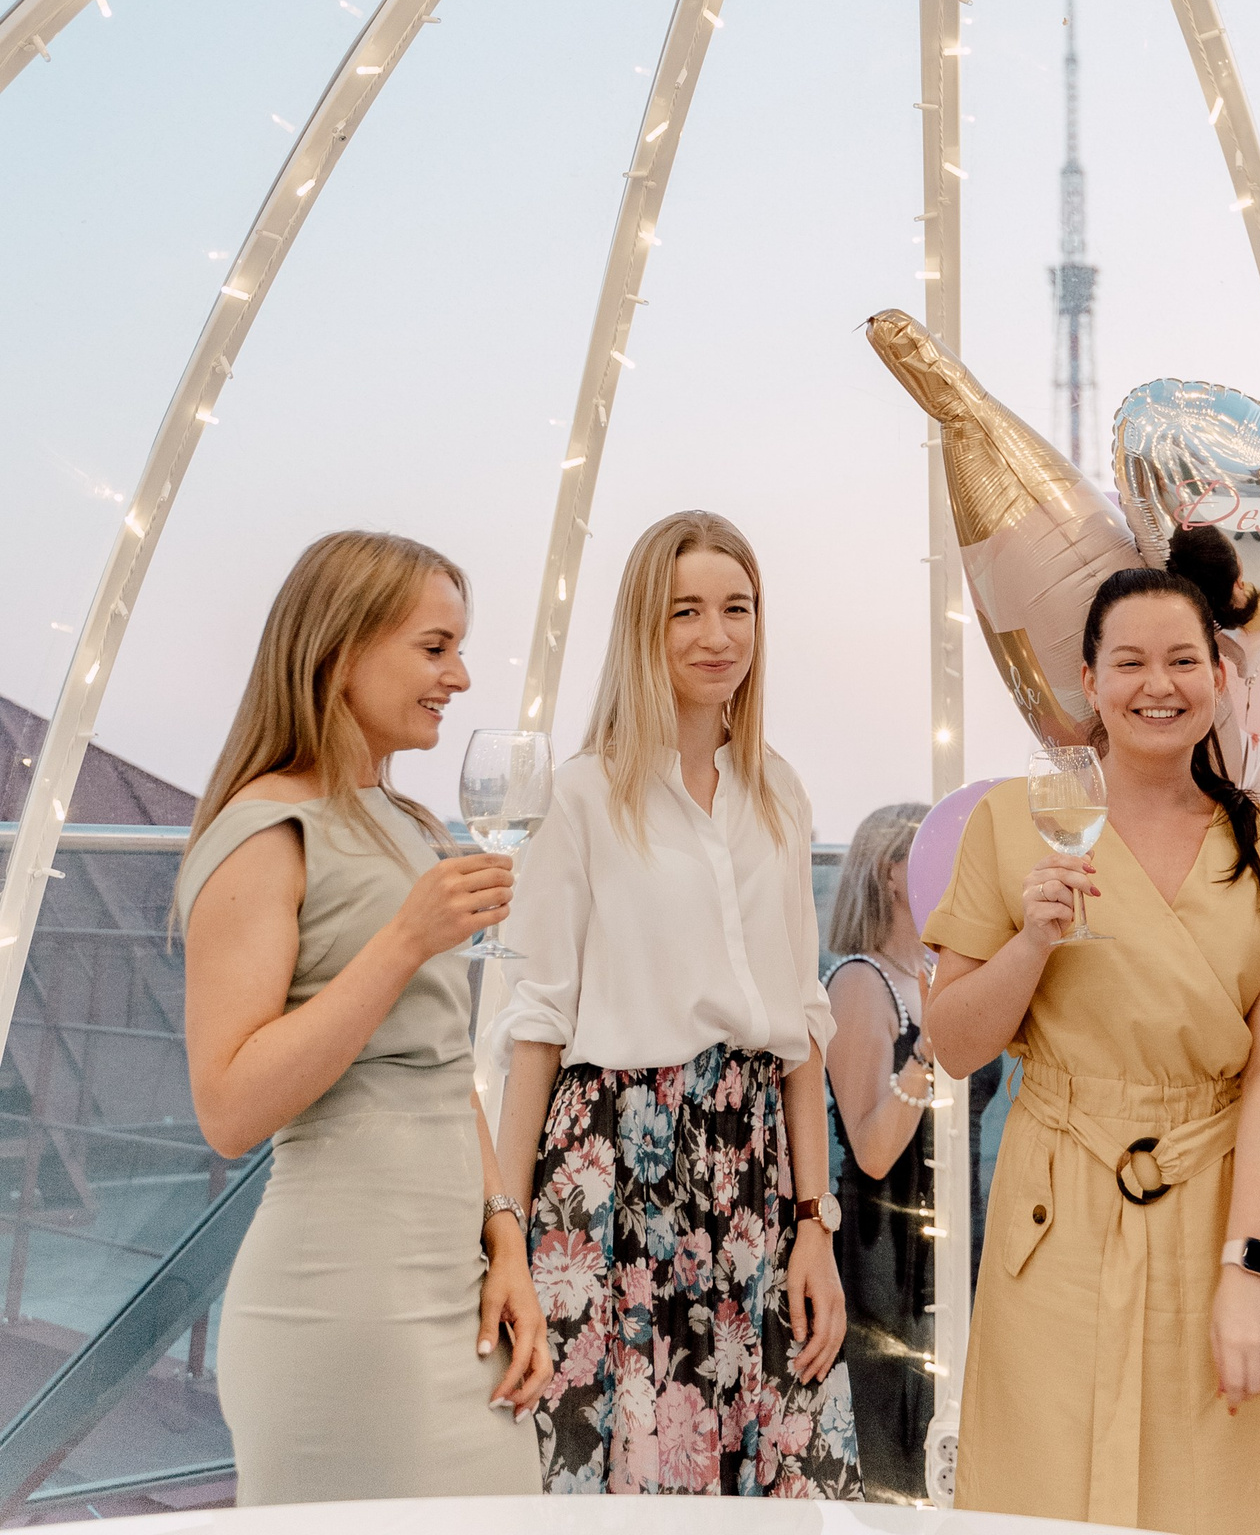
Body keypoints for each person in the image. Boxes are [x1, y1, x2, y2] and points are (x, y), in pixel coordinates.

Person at [921, 538, 1260, 1534]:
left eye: (1182, 660)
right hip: (1057, 1227)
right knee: (1047, 1497)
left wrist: (1250, 1269)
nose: (1157, 685)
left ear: (1219, 676)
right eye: (1129, 662)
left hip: (1219, 1214)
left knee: (1231, 1497)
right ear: (1089, 681)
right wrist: (1031, 943)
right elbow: (953, 1045)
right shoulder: (1013, 823)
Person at [493, 509, 860, 1498]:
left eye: (737, 608)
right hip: (614, 1169)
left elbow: (802, 1025)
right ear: (642, 630)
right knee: (622, 1478)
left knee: (780, 1471)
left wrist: (815, 1222)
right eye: (685, 611)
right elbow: (536, 1026)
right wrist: (506, 1235)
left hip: (754, 1171)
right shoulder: (582, 795)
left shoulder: (779, 794)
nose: (717, 635)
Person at [177, 530, 549, 1506]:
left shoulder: (411, 824)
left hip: (457, 1297)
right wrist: (403, 942)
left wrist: (506, 1240)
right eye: (435, 648)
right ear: (342, 650)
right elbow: (228, 1109)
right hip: (341, 1305)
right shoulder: (265, 830)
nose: (459, 677)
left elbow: (442, 1066)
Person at [824, 800, 938, 1499]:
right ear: (893, 873)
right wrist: (928, 1051)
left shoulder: (933, 974)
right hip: (885, 1252)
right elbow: (870, 1149)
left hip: (949, 1243)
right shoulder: (860, 983)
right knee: (891, 1457)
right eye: (937, 855)